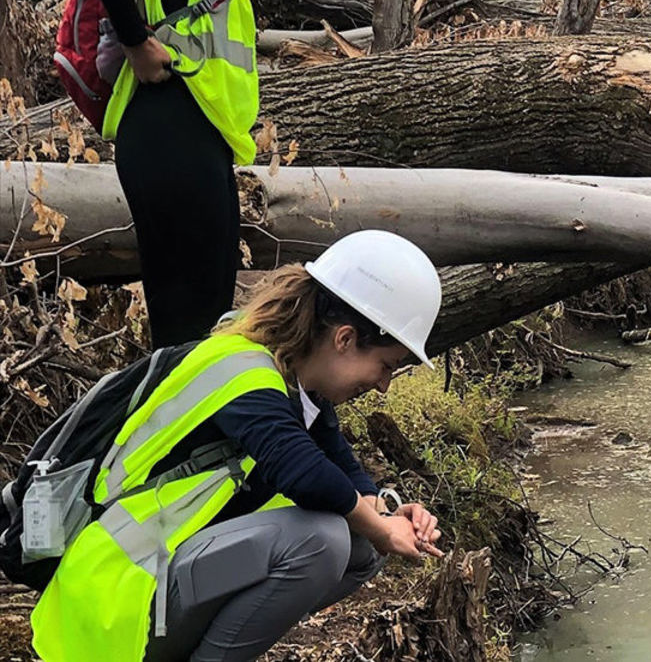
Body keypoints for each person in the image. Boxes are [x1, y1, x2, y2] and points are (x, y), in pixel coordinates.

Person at [30, 230, 446, 662]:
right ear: (344, 339)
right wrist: (379, 526)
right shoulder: (238, 369)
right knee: (323, 540)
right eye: (385, 366)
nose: (382, 386)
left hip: (160, 577)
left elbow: (341, 469)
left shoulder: (296, 387)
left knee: (361, 545)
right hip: (116, 596)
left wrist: (388, 512)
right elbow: (301, 471)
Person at [68, 0, 350, 348]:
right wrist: (135, 40)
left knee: (206, 320)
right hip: (167, 130)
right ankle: (174, 422)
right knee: (188, 329)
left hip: (194, 135)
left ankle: (191, 420)